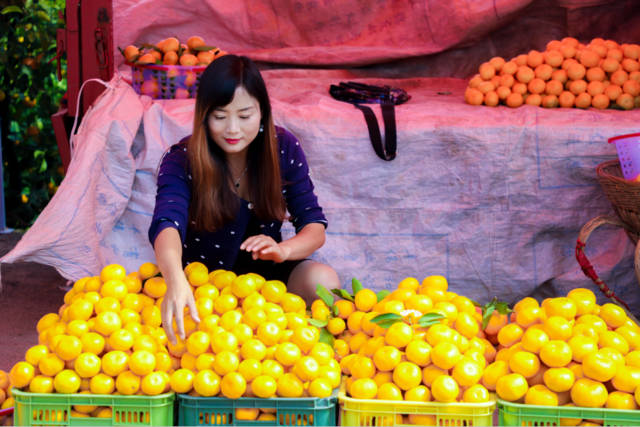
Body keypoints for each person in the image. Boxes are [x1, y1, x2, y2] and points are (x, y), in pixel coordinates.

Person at [148, 54, 341, 344]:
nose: (233, 130)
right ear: (204, 116)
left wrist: (283, 250)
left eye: (245, 115)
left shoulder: (283, 148)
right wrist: (175, 280)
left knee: (323, 282)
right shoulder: (181, 159)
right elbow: (167, 223)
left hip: (266, 281)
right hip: (201, 284)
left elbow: (314, 226)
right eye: (220, 117)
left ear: (262, 111)